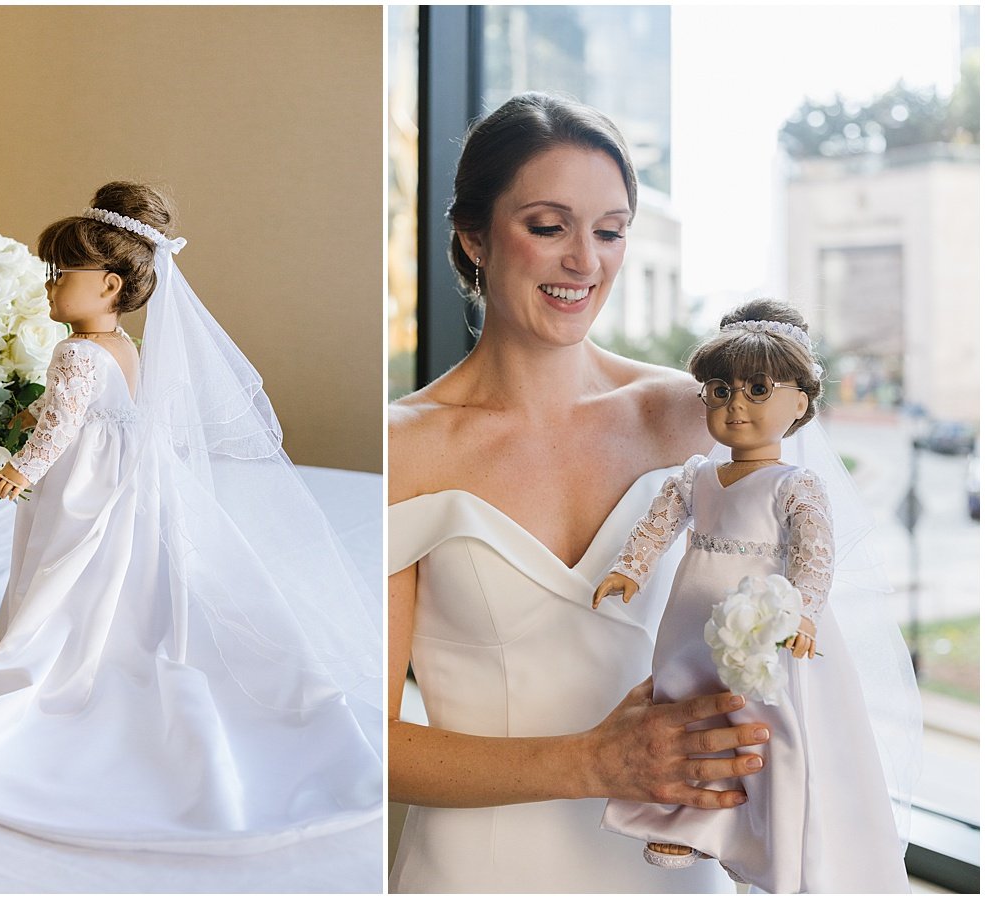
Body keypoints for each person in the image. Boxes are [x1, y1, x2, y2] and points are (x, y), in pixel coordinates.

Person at [0, 182, 383, 854]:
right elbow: (85, 412)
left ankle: (63, 643)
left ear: (106, 286)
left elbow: (61, 430)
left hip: (85, 482)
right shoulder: (122, 344)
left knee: (75, 558)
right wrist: (31, 421)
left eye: (59, 275)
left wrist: (19, 469)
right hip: (124, 474)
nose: (47, 287)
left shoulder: (77, 352)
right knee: (124, 561)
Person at [388, 93, 766, 893]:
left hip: (673, 867)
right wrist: (593, 759)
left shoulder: (692, 418)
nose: (585, 263)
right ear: (474, 237)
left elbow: (783, 639)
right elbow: (365, 740)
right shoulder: (405, 448)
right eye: (549, 225)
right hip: (478, 871)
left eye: (609, 230)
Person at [593, 300, 916, 893]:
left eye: (757, 389)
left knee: (761, 722)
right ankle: (687, 818)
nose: (735, 405)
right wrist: (631, 570)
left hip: (762, 625)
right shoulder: (696, 475)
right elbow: (658, 525)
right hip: (690, 623)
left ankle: (762, 834)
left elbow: (815, 556)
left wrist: (805, 614)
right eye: (719, 391)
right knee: (688, 710)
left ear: (800, 403)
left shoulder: (795, 484)